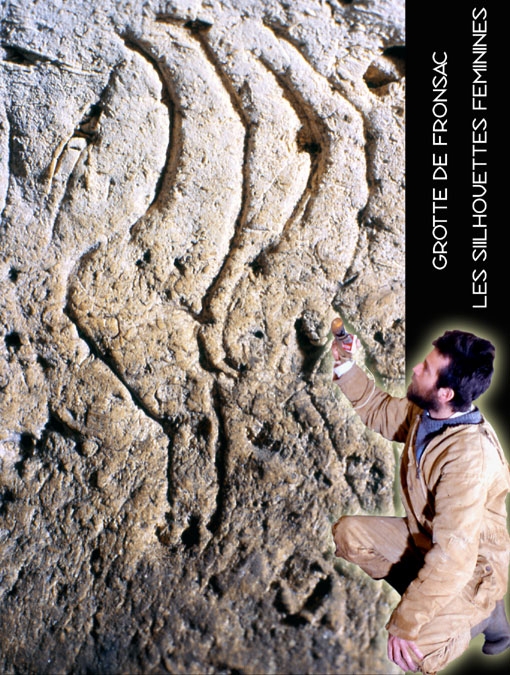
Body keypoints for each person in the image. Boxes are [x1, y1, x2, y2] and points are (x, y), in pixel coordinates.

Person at [330, 327, 510, 674]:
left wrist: (406, 623)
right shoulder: (428, 413)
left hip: (471, 567)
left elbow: (455, 556)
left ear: (445, 392)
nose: (416, 369)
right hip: (427, 540)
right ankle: (431, 600)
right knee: (349, 535)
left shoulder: (468, 459)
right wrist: (345, 366)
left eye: (425, 369)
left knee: (415, 653)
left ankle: (485, 613)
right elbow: (381, 413)